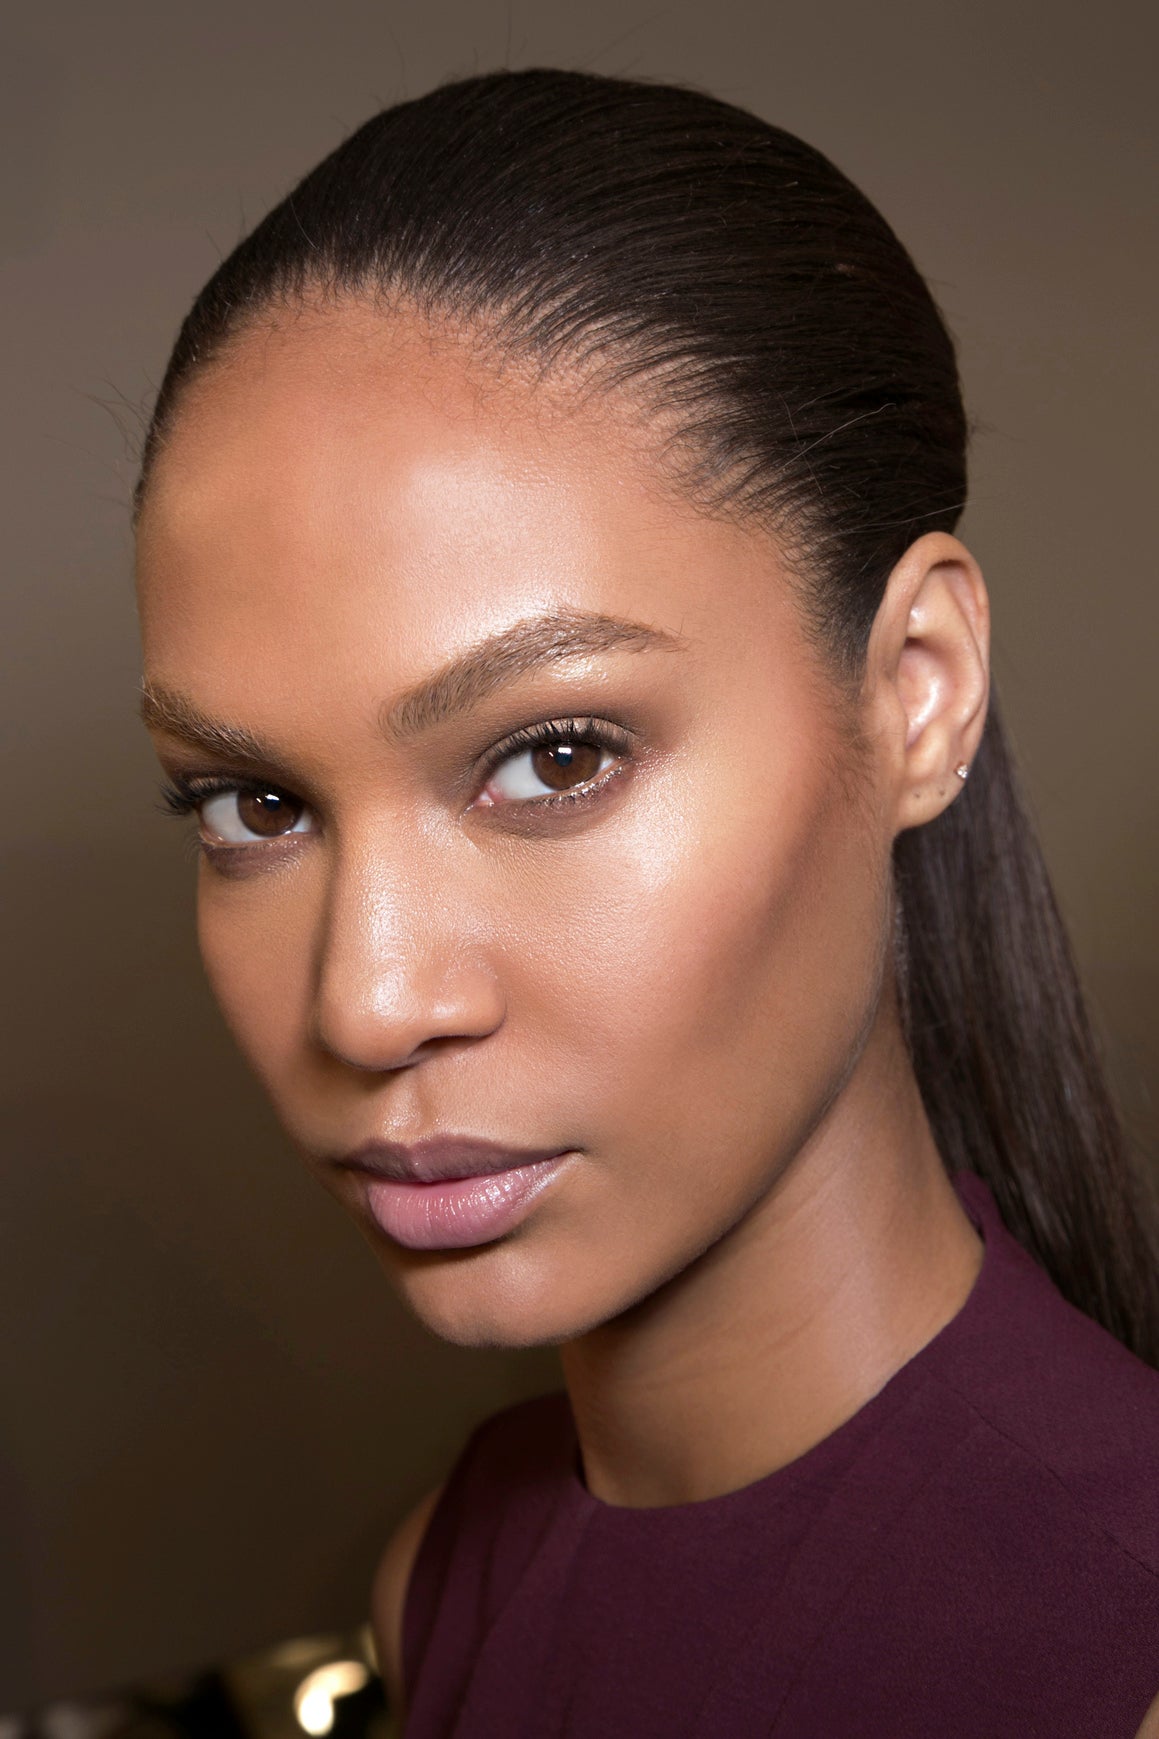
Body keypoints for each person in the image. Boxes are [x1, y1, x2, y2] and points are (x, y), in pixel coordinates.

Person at [132, 66, 1159, 1737]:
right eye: (256, 805)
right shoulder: (444, 1579)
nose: (366, 1004)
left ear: (916, 692)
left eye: (554, 759)